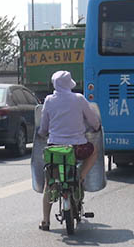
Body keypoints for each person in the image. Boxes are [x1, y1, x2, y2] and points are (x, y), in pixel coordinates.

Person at [37, 70, 101, 231]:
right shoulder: (79, 99)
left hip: (55, 150)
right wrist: (97, 127)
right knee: (93, 151)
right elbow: (93, 120)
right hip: (77, 149)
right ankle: (80, 177)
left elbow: (43, 127)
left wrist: (41, 134)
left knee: (49, 183)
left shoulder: (49, 101)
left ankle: (45, 221)